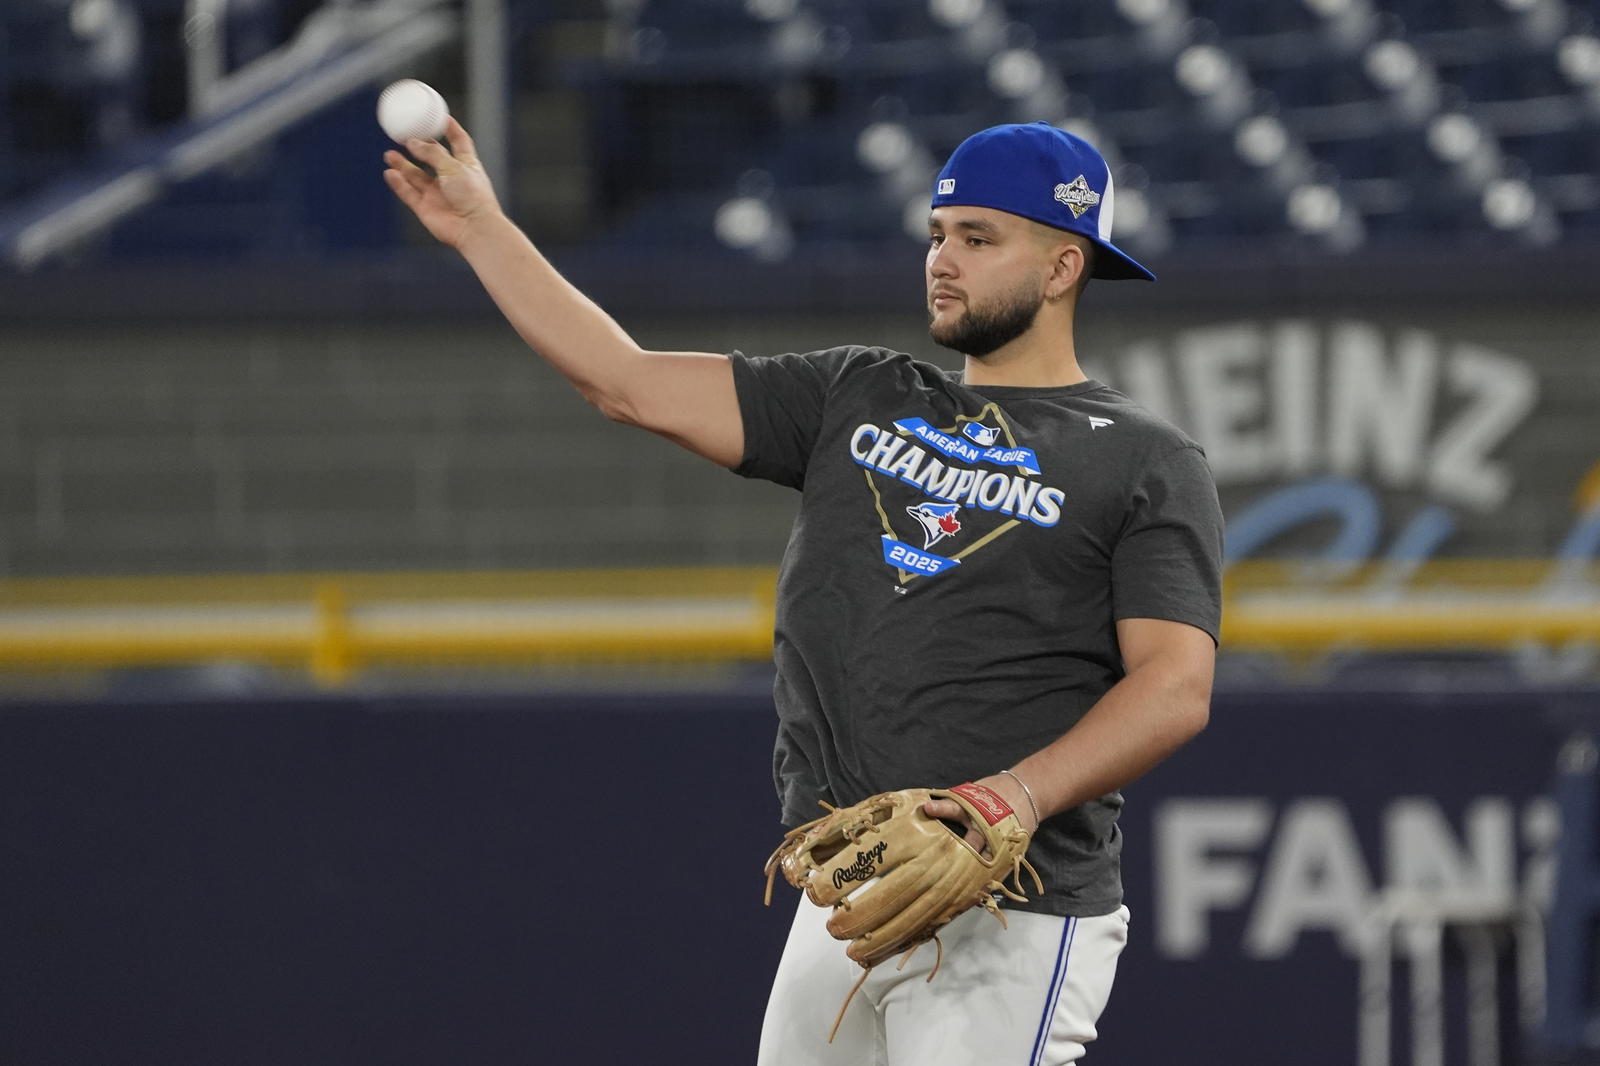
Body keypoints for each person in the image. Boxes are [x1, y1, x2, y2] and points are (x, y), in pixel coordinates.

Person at [383, 118, 1222, 1065]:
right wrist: (481, 227)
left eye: (980, 238)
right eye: (939, 234)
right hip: (853, 890)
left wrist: (1011, 799)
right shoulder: (859, 393)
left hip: (1013, 910)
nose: (943, 260)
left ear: (1065, 267)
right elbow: (625, 383)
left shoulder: (1145, 458)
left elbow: (1173, 686)